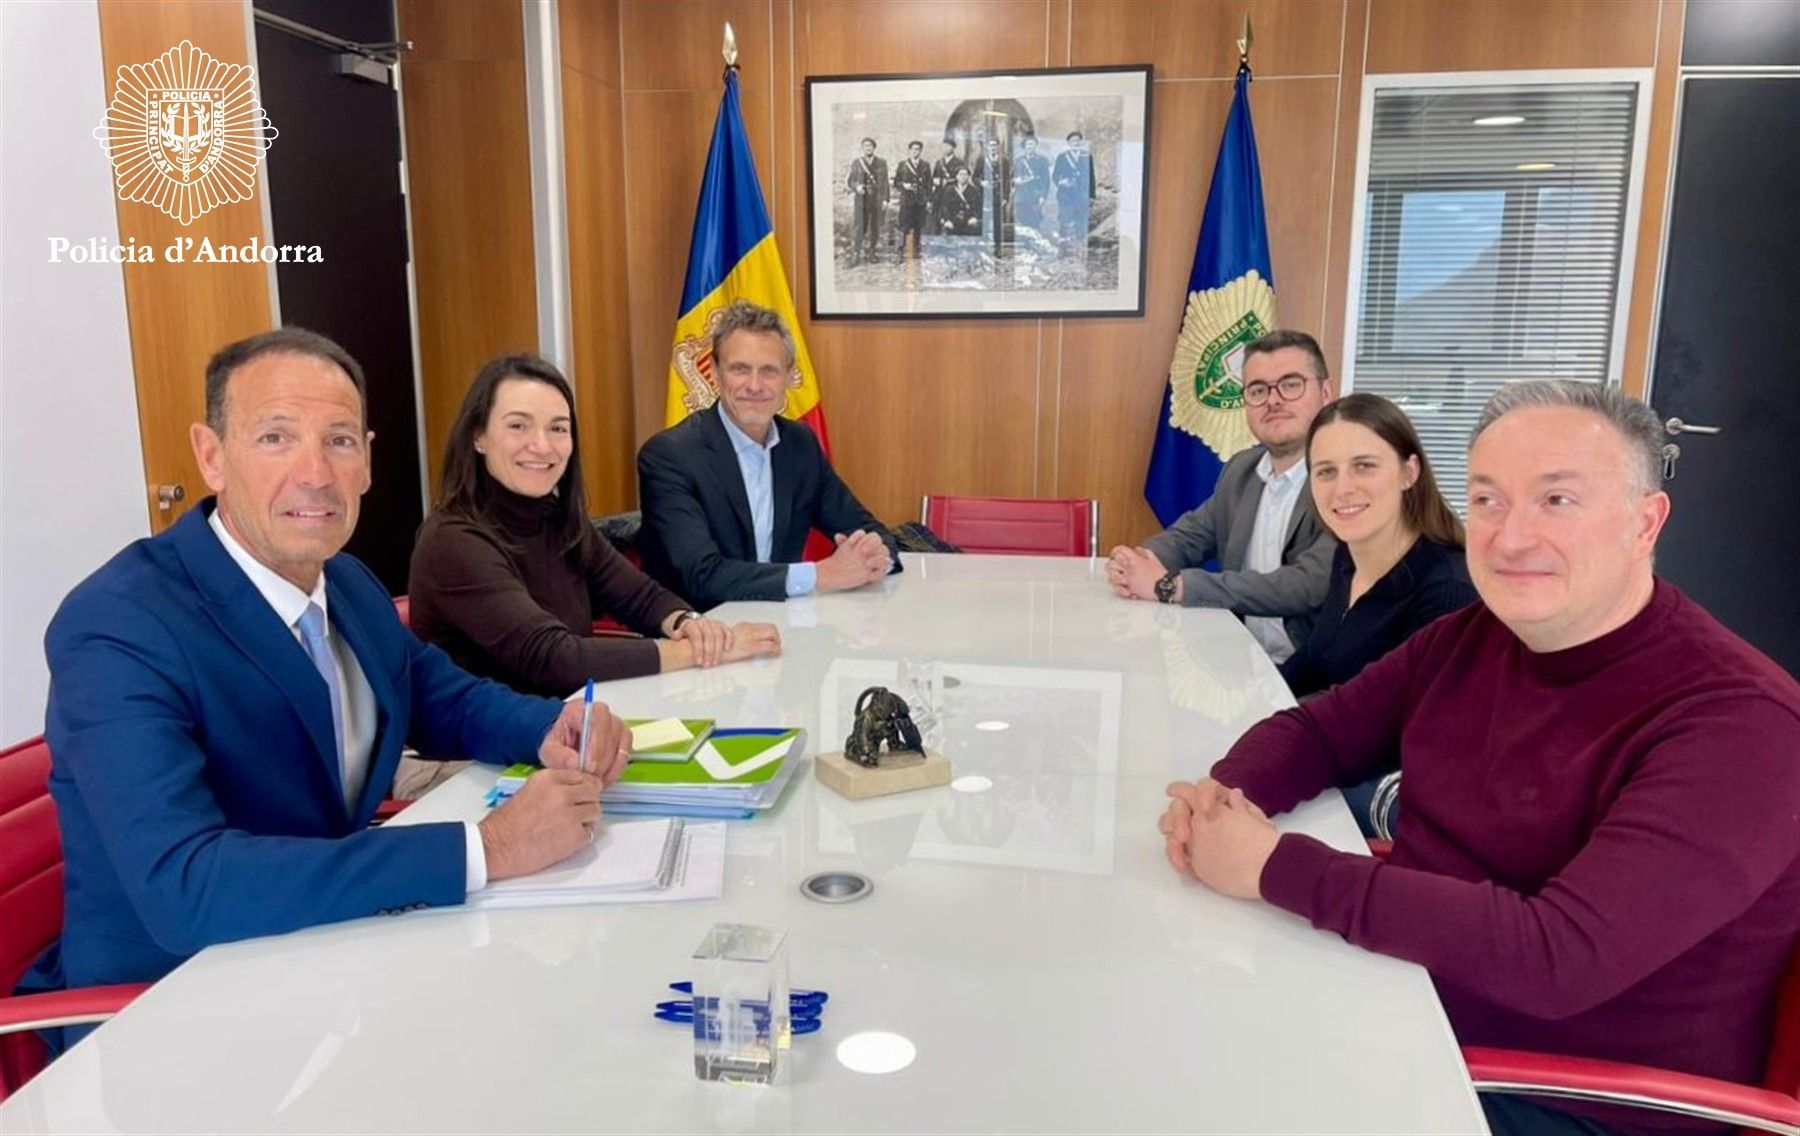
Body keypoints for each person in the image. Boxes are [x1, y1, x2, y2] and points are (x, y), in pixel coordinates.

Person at [1159, 380, 1800, 1136]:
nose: (1511, 536)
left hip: (1563, 1098)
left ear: (1644, 522)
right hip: (1407, 1003)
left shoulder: (1741, 723)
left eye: (1556, 501)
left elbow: (1558, 957)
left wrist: (1274, 867)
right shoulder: (1471, 638)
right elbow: (1319, 733)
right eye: (1489, 501)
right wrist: (1220, 801)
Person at [23, 328, 633, 1041]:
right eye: (276, 438)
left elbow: (435, 695)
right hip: (172, 1012)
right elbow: (185, 886)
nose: (315, 473)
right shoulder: (118, 624)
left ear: (369, 461)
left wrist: (546, 726)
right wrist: (487, 847)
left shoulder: (345, 580)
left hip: (328, 961)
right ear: (211, 455)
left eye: (340, 441)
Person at [408, 353, 781, 699]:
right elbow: (555, 659)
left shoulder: (554, 516)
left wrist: (689, 622)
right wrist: (703, 650)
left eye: (557, 428)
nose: (542, 445)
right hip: (484, 757)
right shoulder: (452, 541)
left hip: (569, 726)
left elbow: (639, 597)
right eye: (518, 426)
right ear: (478, 436)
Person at [1279, 393, 1476, 835]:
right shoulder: (1350, 556)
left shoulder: (1446, 590)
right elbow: (1317, 656)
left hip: (1393, 795)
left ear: (1409, 472)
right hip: (1337, 751)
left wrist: (1287, 737)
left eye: (1364, 466)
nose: (1342, 488)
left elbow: (1411, 740)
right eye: (1325, 472)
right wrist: (1251, 701)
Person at [637, 300, 901, 609]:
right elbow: (702, 576)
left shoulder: (799, 444)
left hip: (781, 626)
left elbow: (869, 530)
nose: (754, 385)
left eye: (769, 371)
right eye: (739, 369)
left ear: (789, 377)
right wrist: (820, 575)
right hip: (698, 635)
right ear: (715, 373)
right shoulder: (670, 456)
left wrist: (872, 554)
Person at [1107, 329, 1338, 663]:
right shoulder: (1242, 470)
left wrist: (1174, 586)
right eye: (1258, 390)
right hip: (1240, 664)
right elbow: (1189, 536)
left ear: (1326, 392)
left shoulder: (1343, 482)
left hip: (1313, 677)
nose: (1273, 400)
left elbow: (1305, 587)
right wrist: (1138, 562)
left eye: (1291, 385)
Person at [846, 137, 888, 266]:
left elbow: (885, 183)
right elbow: (850, 181)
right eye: (865, 146)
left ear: (874, 148)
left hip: (876, 199)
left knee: (875, 227)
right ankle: (856, 253)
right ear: (862, 148)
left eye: (870, 146)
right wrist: (856, 187)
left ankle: (872, 252)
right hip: (861, 200)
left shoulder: (881, 163)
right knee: (859, 227)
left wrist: (886, 199)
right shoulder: (857, 163)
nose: (868, 148)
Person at [1052, 131, 1095, 245]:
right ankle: (1064, 247)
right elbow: (1055, 175)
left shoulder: (1087, 156)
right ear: (1068, 143)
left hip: (1081, 194)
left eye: (1077, 141)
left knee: (1081, 220)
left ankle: (1079, 246)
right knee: (1065, 219)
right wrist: (1062, 182)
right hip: (1066, 194)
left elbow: (1091, 177)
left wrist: (1091, 195)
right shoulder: (1062, 157)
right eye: (1072, 141)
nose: (1075, 143)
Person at [894, 140, 931, 261]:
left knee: (918, 226)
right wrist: (903, 185)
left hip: (920, 201)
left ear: (920, 151)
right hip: (907, 200)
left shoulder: (925, 165)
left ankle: (915, 249)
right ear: (910, 151)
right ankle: (900, 251)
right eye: (913, 149)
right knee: (903, 226)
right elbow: (896, 182)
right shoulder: (903, 165)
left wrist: (929, 200)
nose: (915, 151)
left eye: (918, 149)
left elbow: (929, 184)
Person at [1012, 135, 1050, 233]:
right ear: (1024, 146)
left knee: (1035, 219)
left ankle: (1035, 244)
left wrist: (1043, 196)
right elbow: (1013, 176)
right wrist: (1016, 181)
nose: (1030, 146)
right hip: (1021, 194)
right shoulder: (1018, 160)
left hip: (1035, 193)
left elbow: (1046, 180)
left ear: (1036, 145)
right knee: (1021, 218)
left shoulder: (1042, 160)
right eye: (1028, 144)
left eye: (1033, 144)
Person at [929, 138, 967, 233]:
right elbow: (934, 177)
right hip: (939, 194)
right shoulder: (939, 162)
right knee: (936, 217)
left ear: (953, 148)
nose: (946, 148)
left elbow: (962, 178)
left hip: (952, 194)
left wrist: (947, 181)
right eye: (944, 146)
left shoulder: (959, 162)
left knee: (952, 218)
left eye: (948, 146)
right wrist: (935, 181)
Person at [936, 165, 982, 236]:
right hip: (953, 221)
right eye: (961, 174)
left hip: (968, 221)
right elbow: (944, 207)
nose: (963, 177)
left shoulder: (974, 191)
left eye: (965, 175)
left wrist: (975, 218)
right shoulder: (949, 190)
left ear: (968, 177)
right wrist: (947, 220)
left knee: (975, 229)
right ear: (956, 176)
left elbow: (979, 207)